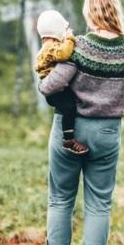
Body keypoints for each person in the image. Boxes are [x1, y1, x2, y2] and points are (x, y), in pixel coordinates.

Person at [38, 0, 124, 245]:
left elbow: (50, 87)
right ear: (114, 9)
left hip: (71, 129)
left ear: (89, 12)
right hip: (107, 131)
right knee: (99, 202)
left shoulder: (77, 46)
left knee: (60, 197)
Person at [35, 9, 89, 155]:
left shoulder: (47, 46)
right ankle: (68, 139)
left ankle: (69, 137)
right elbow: (64, 54)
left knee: (70, 105)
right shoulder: (51, 47)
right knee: (69, 107)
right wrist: (70, 39)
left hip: (55, 90)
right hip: (55, 91)